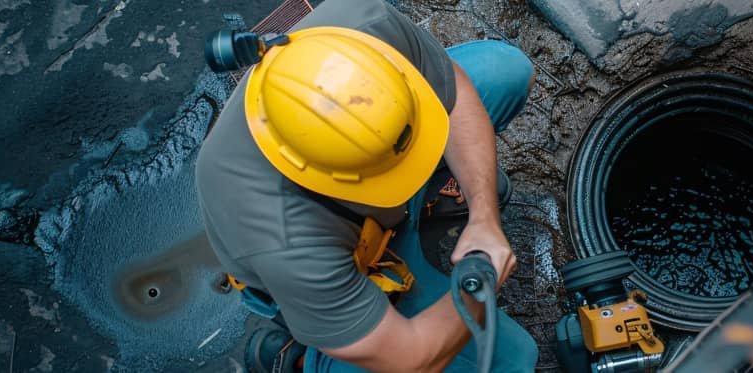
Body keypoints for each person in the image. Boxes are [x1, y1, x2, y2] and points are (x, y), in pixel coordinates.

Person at [194, 0, 539, 371]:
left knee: (503, 71)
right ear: (313, 173)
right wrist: (479, 291)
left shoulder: (362, 23)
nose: (411, 168)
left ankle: (428, 196)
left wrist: (484, 214)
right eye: (392, 169)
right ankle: (311, 357)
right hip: (345, 264)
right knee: (516, 360)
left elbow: (455, 98)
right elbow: (413, 359)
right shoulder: (281, 239)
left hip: (361, 200)